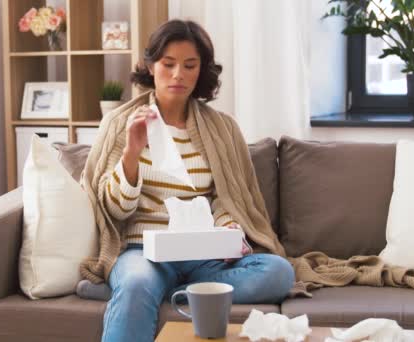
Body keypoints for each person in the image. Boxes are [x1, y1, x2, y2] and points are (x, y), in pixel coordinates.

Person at [81, 19, 295, 342]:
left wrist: (228, 227)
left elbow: (226, 198)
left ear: (201, 71)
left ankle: (164, 292)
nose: (178, 74)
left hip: (202, 254)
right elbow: (114, 212)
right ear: (151, 66)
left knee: (280, 272)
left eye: (189, 65)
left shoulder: (222, 129)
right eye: (168, 64)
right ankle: (138, 288)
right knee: (138, 281)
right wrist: (131, 153)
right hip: (144, 252)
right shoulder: (120, 123)